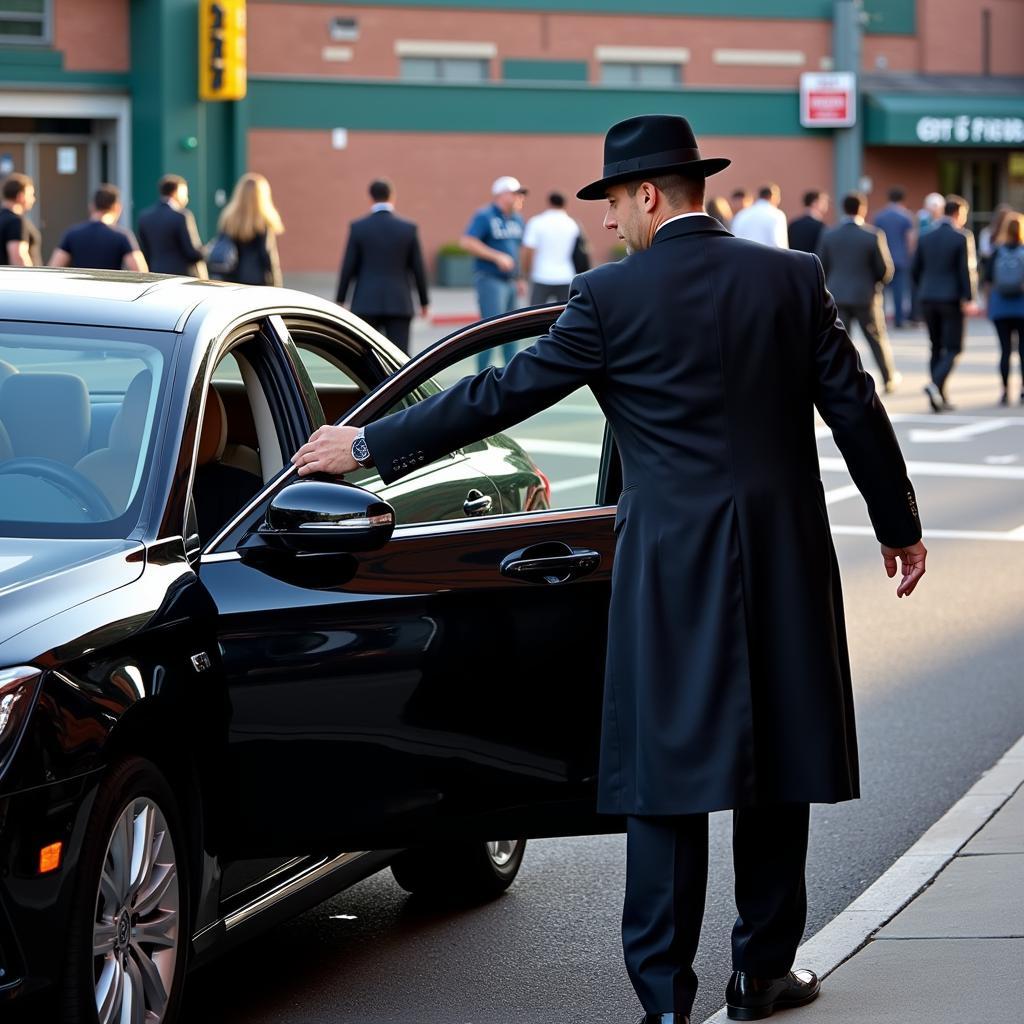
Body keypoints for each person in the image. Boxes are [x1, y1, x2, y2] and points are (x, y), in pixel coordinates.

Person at [293, 114, 927, 1024]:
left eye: (611, 202)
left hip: (672, 571)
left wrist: (367, 443)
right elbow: (856, 409)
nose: (604, 223)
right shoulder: (792, 277)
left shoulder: (609, 298)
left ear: (648, 194)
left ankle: (665, 1003)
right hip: (786, 560)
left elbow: (497, 393)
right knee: (780, 765)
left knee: (668, 783)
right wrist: (897, 525)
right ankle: (762, 977)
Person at [335, 178, 429, 354]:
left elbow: (348, 267)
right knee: (400, 358)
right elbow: (418, 269)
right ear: (393, 197)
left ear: (370, 197)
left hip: (365, 302)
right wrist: (424, 302)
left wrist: (341, 299)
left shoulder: (358, 227)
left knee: (366, 356)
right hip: (399, 302)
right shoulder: (408, 228)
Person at [818, 192, 900, 392]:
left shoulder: (829, 235)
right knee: (876, 339)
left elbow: (821, 266)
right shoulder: (872, 235)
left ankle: (838, 382)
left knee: (839, 343)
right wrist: (876, 283)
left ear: (842, 209)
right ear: (862, 209)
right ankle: (888, 378)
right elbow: (885, 270)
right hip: (866, 296)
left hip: (837, 295)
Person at [912, 194, 978, 412]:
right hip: (950, 299)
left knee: (936, 346)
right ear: (958, 213)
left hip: (927, 297)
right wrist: (969, 298)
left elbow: (915, 270)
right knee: (954, 347)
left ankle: (938, 395)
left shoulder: (925, 236)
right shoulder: (962, 237)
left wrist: (923, 290)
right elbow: (965, 271)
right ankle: (934, 385)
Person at [461, 175, 527, 369]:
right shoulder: (485, 215)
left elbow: (517, 250)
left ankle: (511, 373)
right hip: (490, 279)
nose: (520, 199)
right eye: (516, 194)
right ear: (502, 195)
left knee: (513, 329)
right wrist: (496, 256)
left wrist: (520, 277)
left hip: (511, 282)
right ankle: (481, 374)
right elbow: (467, 242)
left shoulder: (517, 219)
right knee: (491, 328)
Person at [47, 184, 147, 272]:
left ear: (92, 206)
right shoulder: (122, 236)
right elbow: (140, 272)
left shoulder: (72, 234)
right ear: (117, 207)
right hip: (110, 290)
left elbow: (54, 267)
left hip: (79, 291)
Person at [210, 172, 284, 288]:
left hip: (230, 278)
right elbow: (267, 256)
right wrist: (277, 284)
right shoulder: (263, 221)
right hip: (257, 280)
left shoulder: (228, 218)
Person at [985, 211, 1024, 405]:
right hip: (1021, 306)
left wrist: (988, 304)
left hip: (1000, 307)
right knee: (1023, 350)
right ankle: (1023, 390)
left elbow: (988, 280)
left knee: (1005, 350)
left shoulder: (996, 251)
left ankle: (1005, 391)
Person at [137, 174, 208, 278]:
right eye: (185, 193)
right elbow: (192, 253)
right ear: (177, 192)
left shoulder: (144, 217)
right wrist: (207, 251)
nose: (187, 198)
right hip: (182, 279)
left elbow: (144, 251)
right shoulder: (182, 216)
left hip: (155, 276)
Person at [521, 191, 581, 305]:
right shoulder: (572, 224)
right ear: (565, 204)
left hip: (541, 275)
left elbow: (528, 251)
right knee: (565, 315)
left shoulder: (537, 222)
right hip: (566, 275)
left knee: (535, 317)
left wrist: (525, 274)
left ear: (549, 203)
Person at [874, 186, 915, 328]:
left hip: (883, 258)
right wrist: (910, 256)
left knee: (882, 291)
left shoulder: (879, 216)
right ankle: (899, 321)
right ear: (902, 200)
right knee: (899, 291)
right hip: (900, 258)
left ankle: (881, 320)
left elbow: (875, 237)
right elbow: (910, 239)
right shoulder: (906, 216)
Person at [0, 172, 41, 267]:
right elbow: (18, 257)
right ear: (20, 196)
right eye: (31, 195)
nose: (33, 199)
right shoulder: (15, 221)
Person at [731, 183, 788, 248]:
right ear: (773, 196)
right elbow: (778, 243)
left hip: (744, 255)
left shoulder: (742, 214)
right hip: (768, 256)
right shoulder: (777, 214)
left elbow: (735, 237)